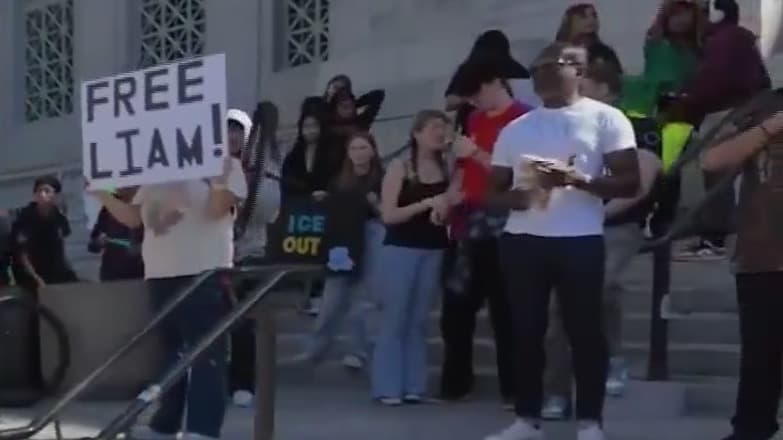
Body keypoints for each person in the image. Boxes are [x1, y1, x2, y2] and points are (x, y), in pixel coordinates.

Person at [484, 42, 640, 440]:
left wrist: (578, 181)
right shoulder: (516, 129)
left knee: (585, 332)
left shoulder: (608, 119)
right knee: (525, 331)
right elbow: (492, 192)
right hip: (523, 241)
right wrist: (515, 198)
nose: (541, 75)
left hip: (580, 240)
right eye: (537, 69)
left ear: (578, 70)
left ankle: (590, 422)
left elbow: (631, 181)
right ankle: (526, 420)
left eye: (551, 66)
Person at [93, 150, 247, 440]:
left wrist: (217, 180)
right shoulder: (156, 171)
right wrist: (101, 193)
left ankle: (203, 429)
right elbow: (133, 218)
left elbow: (217, 209)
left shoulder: (226, 164)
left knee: (206, 353)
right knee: (168, 352)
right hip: (161, 273)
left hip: (205, 272)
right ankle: (166, 424)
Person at [541, 64, 663, 420]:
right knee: (559, 309)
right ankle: (557, 392)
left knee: (604, 283)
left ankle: (614, 360)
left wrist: (600, 213)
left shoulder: (636, 128)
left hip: (617, 224)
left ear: (608, 92)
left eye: (586, 87)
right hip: (570, 226)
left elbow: (642, 181)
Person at [438, 54, 530, 408]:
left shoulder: (522, 119)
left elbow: (520, 173)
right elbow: (463, 170)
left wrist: (476, 152)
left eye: (476, 93)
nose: (473, 103)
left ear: (495, 83)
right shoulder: (475, 119)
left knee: (505, 309)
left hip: (505, 222)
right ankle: (456, 381)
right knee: (456, 306)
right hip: (470, 221)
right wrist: (449, 198)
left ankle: (514, 387)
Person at [700, 102, 783, 440]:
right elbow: (712, 161)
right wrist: (772, 126)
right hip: (761, 256)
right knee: (759, 358)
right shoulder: (762, 108)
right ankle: (751, 431)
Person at [672, 0, 771, 260]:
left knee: (716, 172)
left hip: (729, 111)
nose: (699, 19)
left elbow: (713, 82)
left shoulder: (724, 41)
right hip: (746, 108)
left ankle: (713, 238)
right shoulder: (738, 39)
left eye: (703, 13)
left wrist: (686, 101)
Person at [372, 110, 459, 405]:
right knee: (395, 318)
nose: (440, 133)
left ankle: (414, 385)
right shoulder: (401, 167)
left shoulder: (446, 168)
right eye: (435, 127)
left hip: (433, 249)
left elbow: (447, 206)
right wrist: (425, 203)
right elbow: (389, 215)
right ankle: (387, 386)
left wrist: (443, 209)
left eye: (443, 128)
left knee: (419, 320)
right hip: (401, 248)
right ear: (417, 133)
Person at [298, 132, 385, 370]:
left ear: (373, 150)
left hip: (371, 236)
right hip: (343, 240)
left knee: (363, 299)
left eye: (363, 148)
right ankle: (315, 350)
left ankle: (360, 352)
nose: (359, 153)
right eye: (354, 148)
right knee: (331, 298)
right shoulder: (339, 180)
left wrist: (375, 203)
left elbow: (387, 214)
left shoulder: (382, 178)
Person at [227, 105, 283, 408]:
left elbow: (270, 210)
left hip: (250, 253)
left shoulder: (263, 166)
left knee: (244, 322)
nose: (231, 136)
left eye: (237, 130)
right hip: (214, 255)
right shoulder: (212, 167)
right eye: (227, 130)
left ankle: (242, 381)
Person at [445, 30, 530, 135]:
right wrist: (473, 94)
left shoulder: (468, 68)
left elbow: (450, 102)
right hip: (481, 125)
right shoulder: (515, 68)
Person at [11, 175, 77, 290]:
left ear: (55, 195)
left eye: (47, 191)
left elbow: (60, 245)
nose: (42, 194)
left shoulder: (58, 216)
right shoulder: (25, 217)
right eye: (38, 191)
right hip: (29, 272)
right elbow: (23, 255)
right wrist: (36, 278)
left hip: (54, 270)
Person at [87, 187, 144, 282]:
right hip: (112, 273)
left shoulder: (147, 205)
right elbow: (92, 245)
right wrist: (99, 242)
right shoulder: (108, 209)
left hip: (141, 273)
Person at [555, 3, 623, 73]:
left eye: (594, 16)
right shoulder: (558, 52)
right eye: (583, 16)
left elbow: (618, 78)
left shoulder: (605, 52)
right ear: (570, 22)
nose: (591, 20)